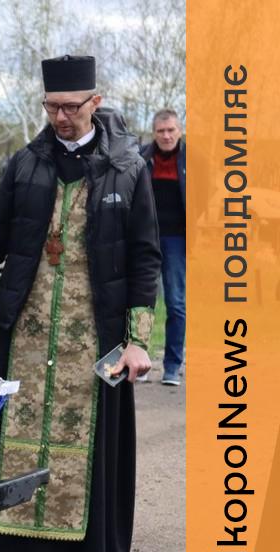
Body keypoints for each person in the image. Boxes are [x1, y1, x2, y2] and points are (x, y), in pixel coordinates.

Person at [0, 55, 160, 552]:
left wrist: (138, 339)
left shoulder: (127, 168)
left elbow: (144, 258)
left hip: (96, 337)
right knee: (10, 446)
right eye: (51, 106)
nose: (60, 117)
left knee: (88, 452)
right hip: (26, 333)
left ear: (95, 102)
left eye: (70, 107)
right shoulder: (26, 164)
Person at [141, 109, 186, 386]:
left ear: (179, 131)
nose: (166, 136)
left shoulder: (193, 160)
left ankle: (172, 365)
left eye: (171, 130)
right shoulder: (142, 158)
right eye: (161, 131)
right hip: (145, 238)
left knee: (176, 302)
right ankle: (140, 364)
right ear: (154, 132)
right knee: (140, 301)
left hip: (177, 241)